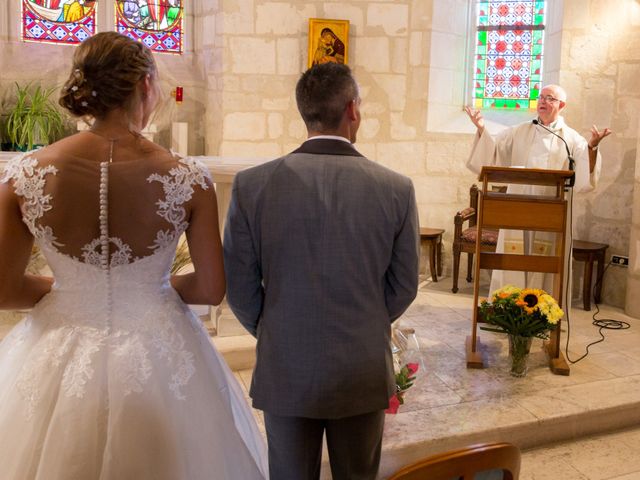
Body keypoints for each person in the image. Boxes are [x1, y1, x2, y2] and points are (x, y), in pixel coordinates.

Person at [0, 32, 268, 480]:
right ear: (146, 85)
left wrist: (74, 290)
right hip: (159, 349)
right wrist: (146, 288)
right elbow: (210, 288)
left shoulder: (25, 175)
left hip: (55, 344)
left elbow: (5, 290)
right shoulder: (188, 178)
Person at [223, 63, 420, 480]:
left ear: (304, 112)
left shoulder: (252, 185)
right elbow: (404, 284)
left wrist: (279, 329)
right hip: (361, 365)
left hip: (286, 364)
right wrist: (364, 322)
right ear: (353, 110)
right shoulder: (396, 188)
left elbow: (239, 288)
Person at [464, 84, 612, 298]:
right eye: (540, 97)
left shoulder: (570, 138)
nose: (542, 101)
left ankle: (543, 309)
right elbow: (494, 152)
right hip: (517, 207)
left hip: (550, 213)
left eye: (549, 98)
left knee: (546, 257)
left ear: (561, 105)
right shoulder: (520, 131)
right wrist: (481, 129)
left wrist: (593, 148)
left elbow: (584, 175)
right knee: (513, 254)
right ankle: (508, 306)